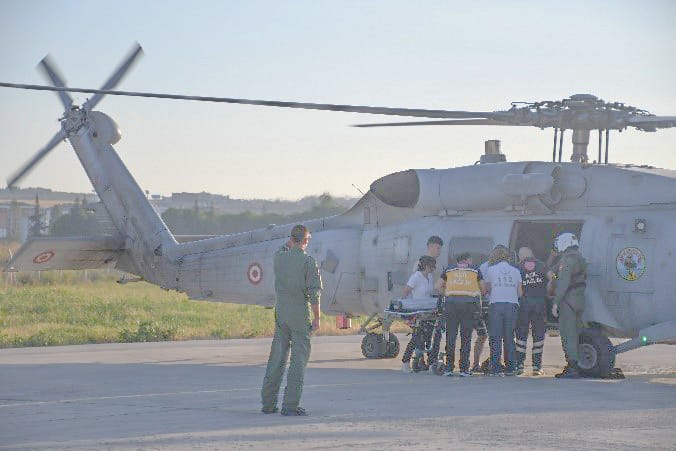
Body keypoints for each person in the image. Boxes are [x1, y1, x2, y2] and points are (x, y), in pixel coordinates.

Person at [261, 224, 322, 416]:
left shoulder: (279, 257)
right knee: (298, 361)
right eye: (308, 239)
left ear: (291, 239)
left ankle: (268, 403)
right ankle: (290, 405)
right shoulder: (308, 262)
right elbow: (314, 294)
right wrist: (317, 318)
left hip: (282, 314)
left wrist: (293, 240)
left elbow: (284, 246)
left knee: (277, 358)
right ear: (305, 241)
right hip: (299, 315)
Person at [481, 245, 523, 376]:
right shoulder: (516, 271)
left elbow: (487, 289)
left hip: (496, 305)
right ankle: (511, 367)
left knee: (496, 337)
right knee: (509, 336)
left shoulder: (491, 270)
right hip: (512, 306)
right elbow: (520, 293)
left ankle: (495, 368)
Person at [551, 232, 587, 379]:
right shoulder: (580, 259)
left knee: (568, 334)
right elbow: (555, 273)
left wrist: (555, 302)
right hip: (579, 299)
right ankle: (576, 364)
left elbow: (562, 283)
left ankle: (572, 367)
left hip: (568, 301)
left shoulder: (566, 261)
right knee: (576, 334)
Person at [439, 252, 482, 376]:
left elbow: (437, 286)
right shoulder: (475, 271)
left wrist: (447, 293)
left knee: (451, 336)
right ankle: (463, 369)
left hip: (451, 305)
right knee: (466, 337)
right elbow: (483, 289)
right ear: (467, 261)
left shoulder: (449, 270)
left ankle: (448, 368)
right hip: (468, 306)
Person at [515, 247, 548, 375]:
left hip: (524, 305)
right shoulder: (542, 265)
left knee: (521, 336)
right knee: (538, 336)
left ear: (521, 256)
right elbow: (553, 276)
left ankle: (519, 365)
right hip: (539, 305)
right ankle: (536, 366)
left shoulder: (517, 267)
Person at [401, 255, 436, 373]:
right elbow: (406, 291)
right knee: (416, 338)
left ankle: (431, 363)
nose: (434, 269)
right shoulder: (416, 277)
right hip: (418, 312)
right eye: (432, 266)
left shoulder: (430, 276)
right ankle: (405, 362)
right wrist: (405, 309)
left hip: (428, 311)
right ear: (426, 266)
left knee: (428, 338)